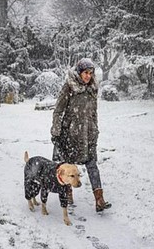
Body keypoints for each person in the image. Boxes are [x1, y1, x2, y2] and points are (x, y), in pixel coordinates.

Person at [51, 58, 111, 212]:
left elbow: (93, 112)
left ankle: (99, 199)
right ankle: (68, 192)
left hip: (88, 133)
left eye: (91, 73)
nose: (88, 76)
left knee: (92, 165)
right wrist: (56, 131)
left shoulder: (92, 89)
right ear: (79, 72)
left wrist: (95, 128)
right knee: (68, 165)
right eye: (85, 73)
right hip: (71, 134)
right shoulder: (69, 87)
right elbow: (58, 110)